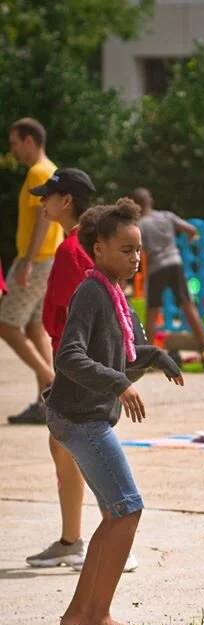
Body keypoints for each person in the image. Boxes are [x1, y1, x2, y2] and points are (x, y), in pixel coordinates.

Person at [44, 197, 184, 625]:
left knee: (115, 512)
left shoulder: (111, 292)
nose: (136, 257)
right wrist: (119, 383)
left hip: (84, 416)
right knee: (127, 508)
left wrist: (155, 356)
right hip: (80, 419)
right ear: (98, 249)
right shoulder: (91, 292)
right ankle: (97, 617)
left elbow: (117, 352)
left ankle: (78, 613)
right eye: (126, 250)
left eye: (138, 249)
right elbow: (69, 356)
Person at [24, 168, 136, 573]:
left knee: (81, 450)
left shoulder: (73, 252)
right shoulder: (74, 247)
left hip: (80, 375)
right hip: (82, 371)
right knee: (63, 448)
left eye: (48, 196)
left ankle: (108, 541)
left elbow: (85, 319)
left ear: (66, 200)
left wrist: (91, 374)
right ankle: (73, 540)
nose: (42, 202)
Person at [0, 118, 63, 424]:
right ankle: (46, 404)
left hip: (36, 260)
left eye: (14, 143)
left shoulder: (39, 171)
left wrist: (27, 261)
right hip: (45, 260)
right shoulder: (48, 170)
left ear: (29, 141)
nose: (12, 149)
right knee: (34, 327)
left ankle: (52, 381)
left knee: (5, 324)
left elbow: (44, 219)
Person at [129, 187, 204, 369]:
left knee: (152, 311)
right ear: (150, 202)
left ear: (136, 205)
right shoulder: (167, 216)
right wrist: (186, 241)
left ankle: (148, 358)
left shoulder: (141, 225)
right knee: (188, 306)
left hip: (156, 268)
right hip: (175, 263)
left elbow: (139, 248)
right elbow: (191, 230)